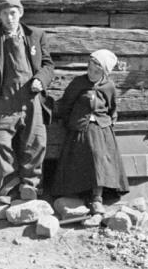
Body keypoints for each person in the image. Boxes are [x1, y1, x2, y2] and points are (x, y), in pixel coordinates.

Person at [0, 0, 53, 202]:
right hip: (5, 99)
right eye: (5, 13)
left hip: (31, 98)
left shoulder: (35, 35)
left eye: (13, 13)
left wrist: (41, 80)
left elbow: (48, 65)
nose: (9, 18)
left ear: (20, 13)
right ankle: (9, 187)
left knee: (35, 142)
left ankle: (31, 185)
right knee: (0, 141)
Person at [49, 49, 128, 214]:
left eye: (97, 71)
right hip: (79, 128)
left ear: (104, 72)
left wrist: (107, 123)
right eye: (90, 68)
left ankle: (97, 198)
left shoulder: (109, 86)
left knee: (99, 156)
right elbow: (66, 105)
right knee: (84, 157)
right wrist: (71, 122)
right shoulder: (78, 83)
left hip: (101, 129)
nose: (92, 73)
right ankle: (80, 196)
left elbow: (112, 108)